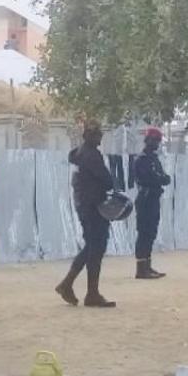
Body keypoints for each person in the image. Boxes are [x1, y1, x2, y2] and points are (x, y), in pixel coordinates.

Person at [55, 121, 117, 308]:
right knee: (95, 248)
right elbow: (106, 180)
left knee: (92, 247)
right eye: (95, 134)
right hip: (93, 207)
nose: (98, 137)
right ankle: (89, 292)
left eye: (98, 133)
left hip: (85, 205)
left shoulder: (80, 154)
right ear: (88, 136)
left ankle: (71, 285)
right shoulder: (91, 155)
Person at [132, 128, 170, 279]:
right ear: (147, 141)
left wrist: (161, 178)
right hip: (145, 198)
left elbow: (164, 177)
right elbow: (150, 178)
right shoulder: (141, 160)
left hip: (153, 197)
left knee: (151, 233)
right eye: (154, 141)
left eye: (158, 141)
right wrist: (160, 178)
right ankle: (141, 268)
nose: (156, 144)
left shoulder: (154, 159)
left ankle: (147, 265)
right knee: (144, 232)